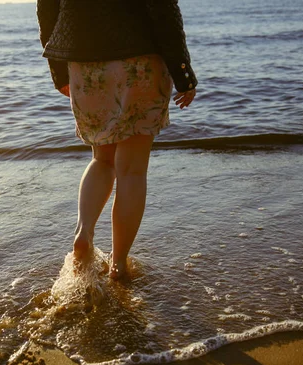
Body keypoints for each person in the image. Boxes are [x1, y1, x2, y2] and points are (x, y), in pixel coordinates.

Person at [37, 0, 197, 279]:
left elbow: (47, 10)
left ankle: (83, 233)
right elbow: (163, 10)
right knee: (132, 170)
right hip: (140, 59)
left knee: (102, 159)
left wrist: (58, 69)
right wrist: (183, 72)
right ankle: (118, 264)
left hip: (84, 61)